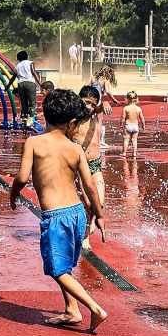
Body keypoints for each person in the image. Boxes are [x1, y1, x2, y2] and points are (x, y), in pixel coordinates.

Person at [10, 89, 107, 332]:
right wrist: (100, 215)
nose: (78, 131)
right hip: (77, 214)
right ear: (71, 123)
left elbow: (22, 177)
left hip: (56, 217)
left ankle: (95, 309)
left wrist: (13, 194)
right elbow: (89, 185)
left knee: (56, 269)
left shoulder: (34, 142)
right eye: (78, 126)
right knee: (66, 266)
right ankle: (71, 310)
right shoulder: (75, 149)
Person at [75, 85, 108, 250]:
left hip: (95, 162)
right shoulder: (75, 117)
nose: (89, 107)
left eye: (92, 104)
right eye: (86, 102)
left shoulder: (95, 114)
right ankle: (85, 237)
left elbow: (99, 108)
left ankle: (93, 220)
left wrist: (104, 105)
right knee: (88, 202)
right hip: (80, 165)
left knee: (99, 201)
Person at [5, 51, 42, 127]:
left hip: (21, 84)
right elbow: (33, 72)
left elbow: (13, 77)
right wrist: (40, 84)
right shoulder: (30, 63)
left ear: (18, 58)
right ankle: (33, 122)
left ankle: (24, 122)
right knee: (32, 103)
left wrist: (8, 86)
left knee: (24, 104)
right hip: (30, 83)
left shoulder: (17, 66)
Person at [88, 66, 120, 146]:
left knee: (90, 121)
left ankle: (91, 140)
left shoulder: (92, 77)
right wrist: (113, 99)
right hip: (98, 101)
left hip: (90, 100)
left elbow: (85, 86)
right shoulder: (105, 79)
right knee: (99, 122)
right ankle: (98, 143)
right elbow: (108, 91)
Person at [121, 91, 145, 157]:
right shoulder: (138, 109)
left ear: (127, 99)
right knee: (134, 140)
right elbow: (142, 118)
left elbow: (123, 117)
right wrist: (143, 125)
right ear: (136, 99)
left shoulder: (126, 108)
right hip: (135, 126)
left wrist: (121, 125)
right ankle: (134, 153)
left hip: (128, 125)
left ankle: (124, 153)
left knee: (126, 140)